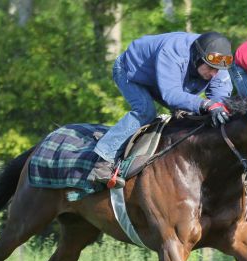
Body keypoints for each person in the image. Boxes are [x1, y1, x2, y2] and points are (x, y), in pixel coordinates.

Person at [89, 31, 234, 188]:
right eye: (210, 68)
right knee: (145, 111)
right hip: (131, 72)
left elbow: (221, 99)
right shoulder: (174, 51)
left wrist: (218, 109)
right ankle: (103, 160)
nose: (214, 74)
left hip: (165, 79)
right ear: (197, 57)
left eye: (217, 70)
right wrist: (206, 105)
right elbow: (171, 94)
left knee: (199, 116)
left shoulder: (218, 62)